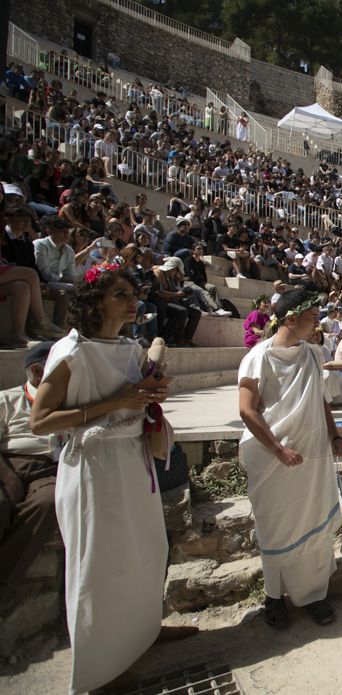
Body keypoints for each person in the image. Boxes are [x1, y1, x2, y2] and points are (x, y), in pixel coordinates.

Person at [29, 264, 188, 693]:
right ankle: (99, 672)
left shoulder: (128, 346)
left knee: (146, 549)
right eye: (121, 293)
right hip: (93, 468)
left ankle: (144, 633)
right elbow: (39, 421)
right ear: (95, 300)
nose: (133, 300)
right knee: (100, 565)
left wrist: (151, 393)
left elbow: (137, 397)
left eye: (133, 293)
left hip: (131, 460)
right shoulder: (71, 351)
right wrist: (116, 401)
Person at [237, 289, 342, 629]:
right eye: (312, 315)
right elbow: (246, 409)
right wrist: (278, 449)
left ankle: (313, 595)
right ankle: (274, 597)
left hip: (312, 454)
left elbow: (320, 399)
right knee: (276, 526)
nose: (318, 321)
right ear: (290, 318)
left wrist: (333, 434)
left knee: (312, 520)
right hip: (274, 458)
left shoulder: (314, 354)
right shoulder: (259, 357)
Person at [0, 342, 58, 585]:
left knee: (49, 502)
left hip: (48, 467)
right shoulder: (7, 399)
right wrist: (7, 476)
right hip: (7, 463)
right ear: (36, 371)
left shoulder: (69, 401)